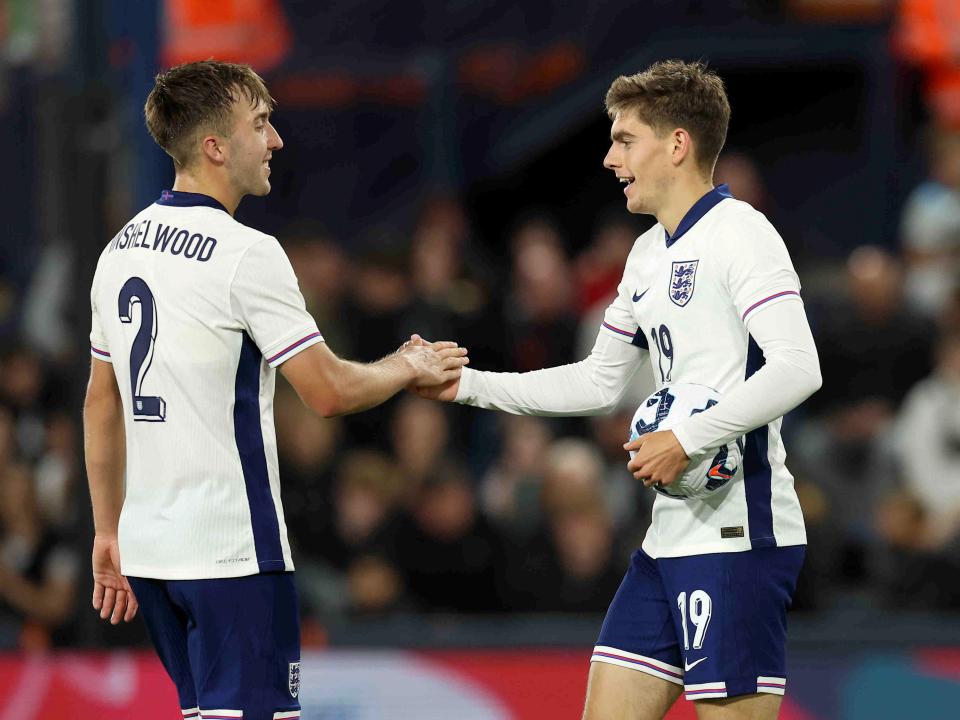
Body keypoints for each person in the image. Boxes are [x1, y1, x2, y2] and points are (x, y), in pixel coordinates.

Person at [415, 59, 821, 720]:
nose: (609, 158)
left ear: (678, 144)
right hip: (666, 539)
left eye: (625, 139)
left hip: (738, 539)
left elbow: (799, 367)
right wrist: (466, 385)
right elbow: (598, 382)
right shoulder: (645, 255)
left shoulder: (743, 235)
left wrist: (684, 437)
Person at [83, 60, 467, 720]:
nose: (276, 140)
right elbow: (328, 391)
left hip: (151, 555)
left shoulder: (118, 251)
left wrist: (104, 529)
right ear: (214, 146)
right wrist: (409, 366)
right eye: (260, 124)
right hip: (231, 555)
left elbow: (100, 400)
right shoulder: (245, 253)